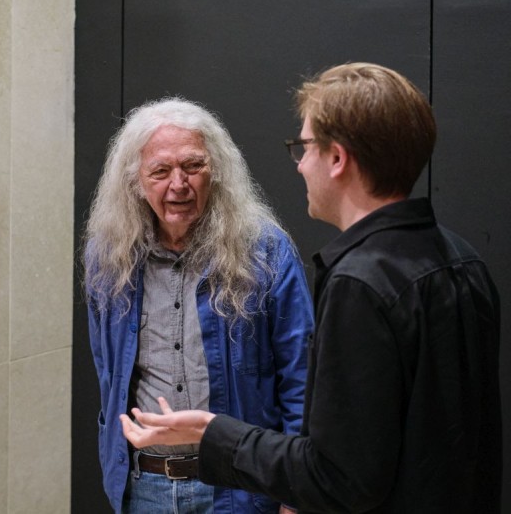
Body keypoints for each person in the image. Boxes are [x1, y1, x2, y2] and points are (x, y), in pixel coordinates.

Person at [121, 63, 502, 513]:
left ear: (337, 158)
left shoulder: (360, 284)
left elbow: (340, 476)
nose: (300, 165)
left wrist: (212, 433)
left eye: (304, 148)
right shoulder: (463, 259)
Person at [84, 97, 314, 513]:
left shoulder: (265, 251)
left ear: (217, 172)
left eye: (193, 166)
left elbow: (301, 377)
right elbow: (108, 371)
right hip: (145, 486)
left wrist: (294, 494)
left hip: (240, 489)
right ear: (136, 181)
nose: (179, 184)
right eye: (160, 171)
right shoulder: (108, 257)